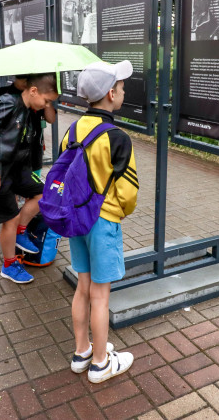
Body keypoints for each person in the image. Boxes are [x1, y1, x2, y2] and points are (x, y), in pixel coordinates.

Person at [66, 61, 138, 384]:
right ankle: (100, 364)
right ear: (111, 94)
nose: (123, 91)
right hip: (103, 221)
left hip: (77, 220)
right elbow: (128, 192)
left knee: (83, 286)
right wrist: (117, 212)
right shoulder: (117, 137)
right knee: (101, 293)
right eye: (121, 87)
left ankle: (82, 352)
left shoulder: (72, 130)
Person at [0, 73, 59, 284]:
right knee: (10, 218)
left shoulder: (27, 107)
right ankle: (9, 265)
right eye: (46, 101)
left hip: (12, 167)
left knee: (43, 193)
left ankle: (20, 233)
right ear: (33, 91)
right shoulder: (8, 101)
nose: (46, 105)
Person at [0, 75, 56, 177]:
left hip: (33, 152)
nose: (26, 81)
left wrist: (47, 101)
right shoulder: (4, 93)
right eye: (23, 77)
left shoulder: (38, 94)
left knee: (33, 187)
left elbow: (51, 119)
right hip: (10, 154)